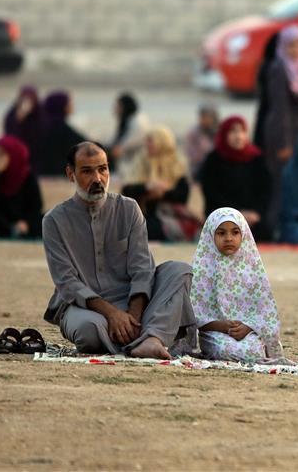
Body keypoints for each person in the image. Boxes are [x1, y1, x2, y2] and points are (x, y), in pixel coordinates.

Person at [41, 141, 197, 359]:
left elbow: (142, 269)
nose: (98, 179)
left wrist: (132, 316)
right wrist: (113, 314)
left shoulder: (129, 209)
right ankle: (149, 336)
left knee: (180, 271)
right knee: (89, 332)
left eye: (102, 169)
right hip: (85, 309)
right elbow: (67, 282)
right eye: (87, 171)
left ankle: (150, 339)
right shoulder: (54, 221)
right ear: (71, 174)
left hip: (136, 304)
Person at [191, 207, 284, 362]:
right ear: (210, 235)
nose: (229, 238)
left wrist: (248, 327)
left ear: (244, 235)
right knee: (225, 350)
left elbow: (265, 313)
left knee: (253, 352)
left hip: (248, 333)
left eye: (235, 232)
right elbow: (194, 316)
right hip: (215, 333)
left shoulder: (252, 268)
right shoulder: (202, 269)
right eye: (221, 233)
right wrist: (221, 326)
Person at [263, 25, 298, 233]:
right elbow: (280, 110)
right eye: (292, 45)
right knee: (281, 182)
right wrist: (284, 143)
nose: (296, 50)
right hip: (283, 134)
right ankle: (276, 228)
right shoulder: (279, 69)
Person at [199, 116, 272, 242]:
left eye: (242, 131)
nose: (238, 136)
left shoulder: (256, 158)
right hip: (222, 216)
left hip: (253, 217)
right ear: (224, 134)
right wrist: (237, 213)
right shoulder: (214, 159)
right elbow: (211, 192)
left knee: (264, 232)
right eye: (233, 131)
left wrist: (255, 212)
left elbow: (266, 190)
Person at [121, 126, 196, 242]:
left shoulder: (177, 164)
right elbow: (127, 191)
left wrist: (163, 193)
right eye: (147, 140)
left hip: (168, 216)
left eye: (150, 140)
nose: (146, 144)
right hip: (143, 214)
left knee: (149, 228)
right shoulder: (141, 160)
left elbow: (182, 197)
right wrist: (147, 187)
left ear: (162, 142)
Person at [0, 136, 43, 239]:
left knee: (49, 219)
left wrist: (26, 223)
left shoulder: (27, 177)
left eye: (1, 154)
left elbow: (36, 206)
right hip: (1, 223)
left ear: (13, 155)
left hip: (24, 223)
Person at [36, 90, 87, 177]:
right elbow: (84, 144)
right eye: (69, 103)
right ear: (61, 106)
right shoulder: (60, 127)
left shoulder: (42, 125)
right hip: (58, 174)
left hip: (42, 172)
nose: (72, 106)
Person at [109, 92, 149, 178]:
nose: (115, 109)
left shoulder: (138, 121)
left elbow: (122, 147)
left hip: (135, 162)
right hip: (128, 159)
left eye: (117, 106)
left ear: (124, 107)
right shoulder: (127, 120)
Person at [3, 85, 44, 170]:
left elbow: (43, 133)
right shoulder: (13, 113)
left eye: (30, 98)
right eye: (25, 98)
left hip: (37, 156)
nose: (28, 102)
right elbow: (10, 135)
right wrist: (20, 118)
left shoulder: (40, 112)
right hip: (17, 154)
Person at [184, 103, 219, 180]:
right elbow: (190, 151)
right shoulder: (194, 132)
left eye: (206, 117)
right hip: (199, 168)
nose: (203, 119)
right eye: (202, 116)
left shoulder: (219, 131)